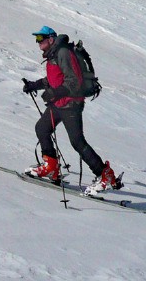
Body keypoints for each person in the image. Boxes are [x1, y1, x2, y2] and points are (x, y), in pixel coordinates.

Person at [21, 25, 119, 195]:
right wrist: (34, 85)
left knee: (77, 142)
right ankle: (51, 167)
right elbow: (54, 79)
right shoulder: (53, 54)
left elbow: (74, 81)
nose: (38, 42)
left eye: (40, 39)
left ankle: (105, 175)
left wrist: (54, 92)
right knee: (42, 128)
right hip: (59, 104)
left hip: (71, 105)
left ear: (50, 39)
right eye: (37, 39)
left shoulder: (63, 53)